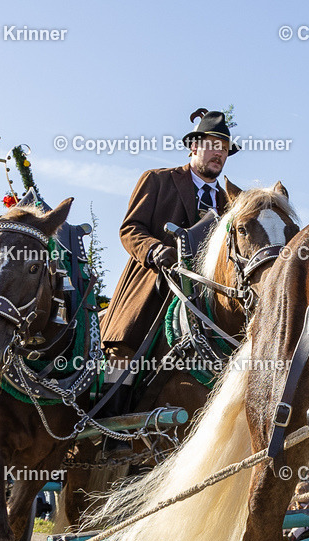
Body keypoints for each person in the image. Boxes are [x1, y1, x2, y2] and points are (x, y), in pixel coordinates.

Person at [100, 109, 238, 372]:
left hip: (205, 303)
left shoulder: (231, 205)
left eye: (224, 149)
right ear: (194, 147)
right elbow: (130, 229)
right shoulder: (157, 180)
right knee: (121, 365)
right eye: (213, 146)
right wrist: (153, 250)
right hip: (153, 290)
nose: (219, 153)